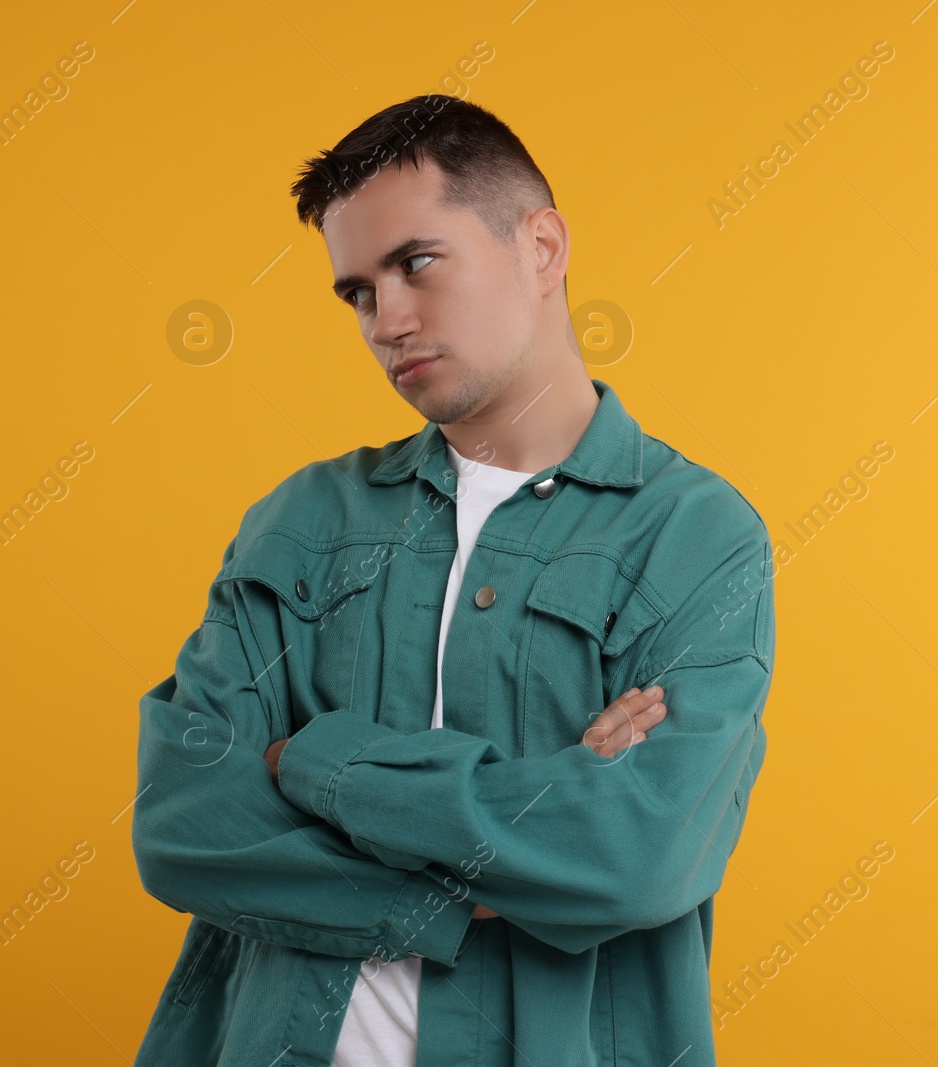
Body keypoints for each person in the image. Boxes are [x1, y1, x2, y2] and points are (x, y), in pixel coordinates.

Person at [131, 93, 775, 1067]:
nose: (386, 319)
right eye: (356, 291)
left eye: (415, 263)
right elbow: (183, 816)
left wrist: (314, 764)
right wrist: (494, 856)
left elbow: (634, 855)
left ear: (541, 247)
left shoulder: (693, 533)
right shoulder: (304, 519)